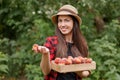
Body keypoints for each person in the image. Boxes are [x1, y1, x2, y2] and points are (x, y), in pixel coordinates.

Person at [32, 4, 91, 80]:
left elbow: (86, 72)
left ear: (74, 23)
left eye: (67, 20)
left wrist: (74, 65)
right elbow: (45, 71)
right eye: (60, 21)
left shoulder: (81, 44)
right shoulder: (51, 41)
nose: (62, 25)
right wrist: (46, 53)